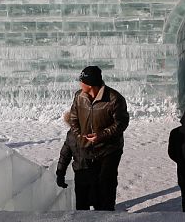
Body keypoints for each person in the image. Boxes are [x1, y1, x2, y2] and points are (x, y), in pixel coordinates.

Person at [66, 65, 130, 211]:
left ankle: (107, 212)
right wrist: (79, 136)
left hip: (109, 150)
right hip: (87, 148)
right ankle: (92, 215)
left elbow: (121, 123)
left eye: (81, 81)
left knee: (107, 183)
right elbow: (74, 118)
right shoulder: (79, 96)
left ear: (90, 84)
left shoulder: (114, 99)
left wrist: (101, 135)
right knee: (90, 184)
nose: (79, 84)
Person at [54, 110, 83, 191]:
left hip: (80, 172)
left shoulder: (71, 135)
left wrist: (60, 175)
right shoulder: (92, 132)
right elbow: (64, 156)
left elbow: (64, 157)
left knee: (82, 199)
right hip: (94, 171)